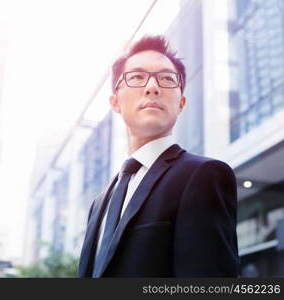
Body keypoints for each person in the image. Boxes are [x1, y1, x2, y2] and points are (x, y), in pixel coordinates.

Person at [78, 35, 239, 277]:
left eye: (166, 79)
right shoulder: (99, 202)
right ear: (115, 102)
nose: (152, 87)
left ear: (181, 103)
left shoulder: (203, 176)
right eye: (137, 77)